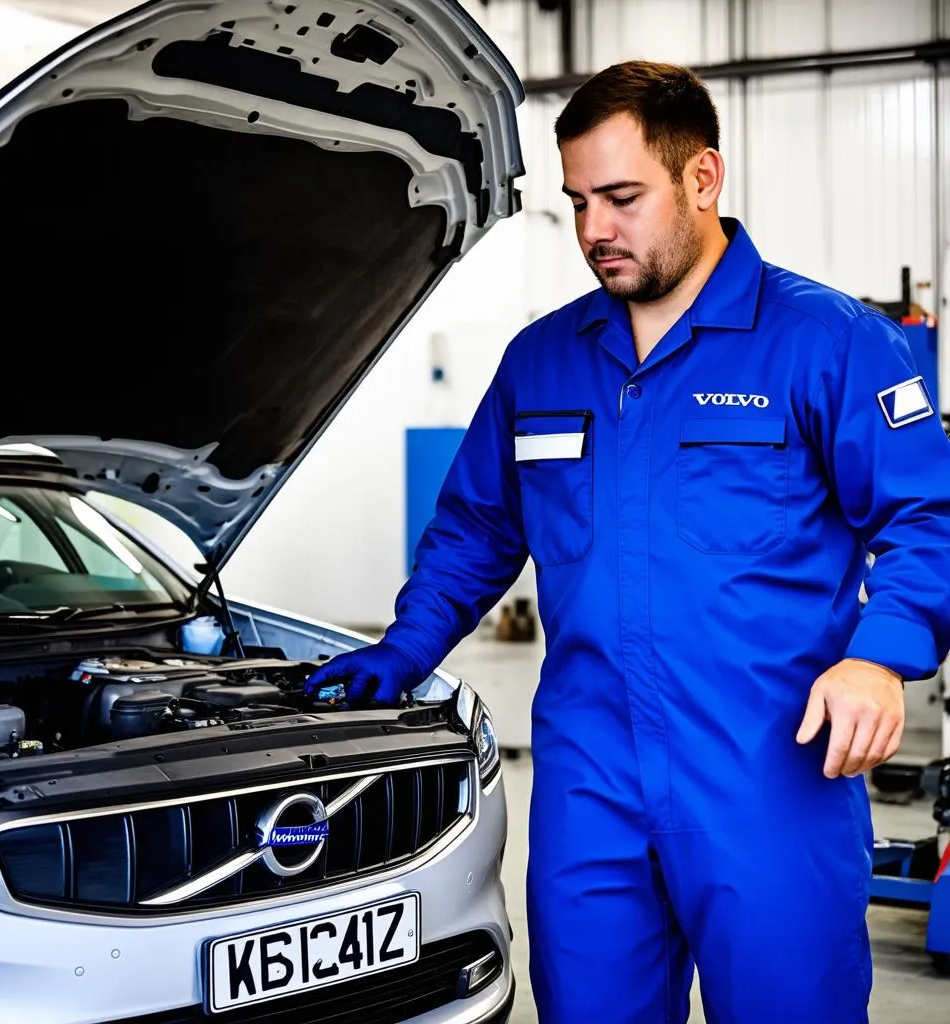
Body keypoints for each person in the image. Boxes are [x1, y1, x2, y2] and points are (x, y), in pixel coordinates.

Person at [305, 59, 950, 1023]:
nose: (595, 230)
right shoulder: (545, 358)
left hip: (770, 773)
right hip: (591, 781)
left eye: (621, 197)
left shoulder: (829, 341)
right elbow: (479, 527)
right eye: (576, 203)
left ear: (703, 178)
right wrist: (404, 651)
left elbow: (925, 514)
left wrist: (880, 659)